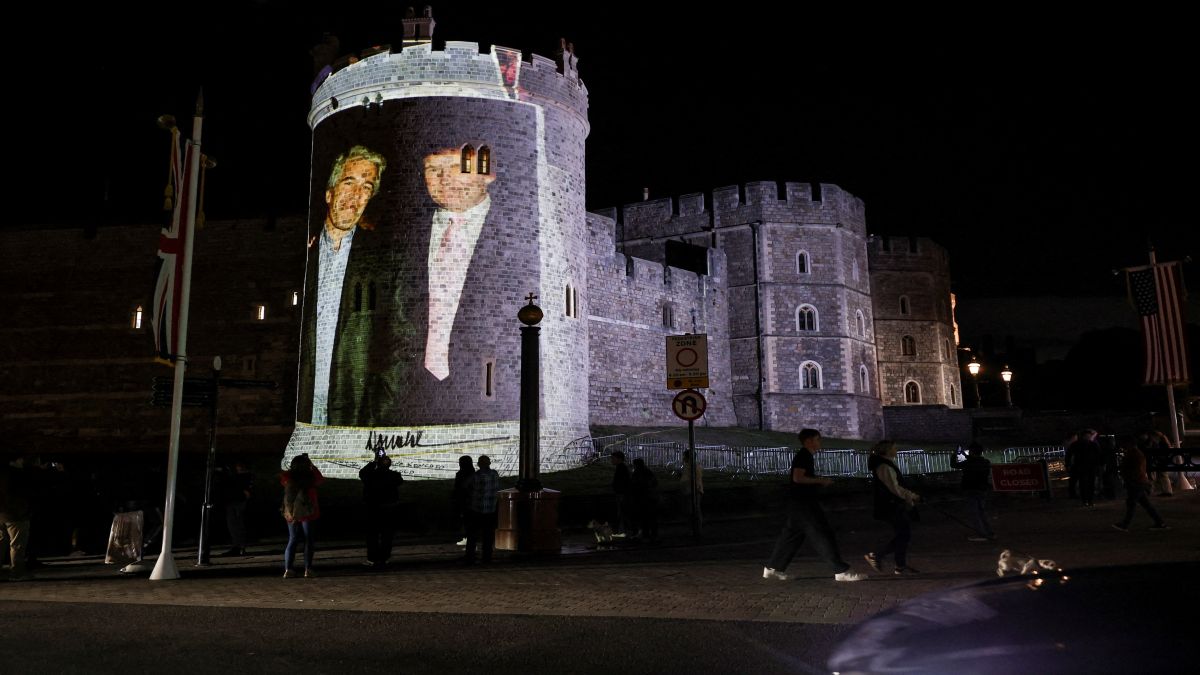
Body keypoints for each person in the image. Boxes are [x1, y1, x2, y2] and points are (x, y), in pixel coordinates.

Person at [297, 144, 393, 426]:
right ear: (329, 193)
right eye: (349, 182)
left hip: (354, 416)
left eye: (367, 186)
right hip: (304, 413)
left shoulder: (383, 262)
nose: (356, 195)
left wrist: (374, 417)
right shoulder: (304, 259)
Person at [421, 146, 496, 381]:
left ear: (488, 171)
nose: (444, 179)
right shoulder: (403, 230)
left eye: (457, 166)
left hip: (478, 381)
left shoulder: (525, 232)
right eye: (434, 169)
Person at [763, 429, 866, 582]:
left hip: (799, 502)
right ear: (809, 441)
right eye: (817, 439)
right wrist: (820, 481)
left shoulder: (805, 456)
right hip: (804, 503)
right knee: (822, 534)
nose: (820, 442)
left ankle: (773, 568)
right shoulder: (804, 455)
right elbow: (798, 478)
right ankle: (841, 570)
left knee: (791, 536)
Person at [864, 440, 922, 575]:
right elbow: (895, 488)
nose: (897, 450)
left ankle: (900, 566)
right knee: (903, 534)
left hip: (891, 504)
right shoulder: (884, 467)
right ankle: (877, 556)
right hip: (891, 505)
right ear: (887, 450)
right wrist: (913, 496)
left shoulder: (885, 464)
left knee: (902, 534)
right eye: (894, 448)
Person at [1113, 435, 1169, 532]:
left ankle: (1125, 524)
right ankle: (1160, 522)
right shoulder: (1136, 454)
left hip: (1136, 482)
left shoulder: (1134, 454)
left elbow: (1135, 470)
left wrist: (1129, 479)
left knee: (1132, 504)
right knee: (1145, 504)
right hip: (1138, 482)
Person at [281, 453, 324, 578]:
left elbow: (283, 482)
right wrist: (312, 466)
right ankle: (308, 568)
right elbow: (320, 479)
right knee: (308, 539)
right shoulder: (311, 477)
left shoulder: (288, 476)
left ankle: (288, 569)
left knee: (293, 539)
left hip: (292, 510)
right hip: (308, 511)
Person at [359, 450, 404, 568]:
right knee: (387, 535)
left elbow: (362, 473)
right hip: (389, 509)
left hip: (373, 509)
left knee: (372, 535)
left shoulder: (371, 475)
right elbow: (399, 481)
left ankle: (372, 559)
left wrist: (374, 462)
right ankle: (385, 558)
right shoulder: (394, 476)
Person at [951, 442, 995, 542]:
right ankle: (989, 532)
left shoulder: (968, 463)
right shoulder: (985, 462)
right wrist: (965, 455)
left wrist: (955, 454)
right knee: (982, 512)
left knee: (975, 513)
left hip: (971, 489)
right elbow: (974, 461)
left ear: (971, 452)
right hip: (982, 489)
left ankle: (981, 534)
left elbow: (953, 464)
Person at [0, 456, 34, 580]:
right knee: (17, 545)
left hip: (2, 514)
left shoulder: (3, 473)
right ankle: (17, 572)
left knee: (1, 543)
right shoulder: (15, 475)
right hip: (15, 515)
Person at [464, 455, 500, 564]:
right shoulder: (495, 474)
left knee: (472, 535)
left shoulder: (475, 476)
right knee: (488, 536)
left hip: (476, 509)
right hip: (491, 509)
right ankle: (487, 557)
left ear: (479, 464)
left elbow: (465, 486)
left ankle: (470, 557)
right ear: (489, 464)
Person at [219, 460, 253, 557]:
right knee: (235, 525)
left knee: (236, 524)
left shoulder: (244, 477)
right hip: (235, 502)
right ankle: (238, 546)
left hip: (237, 503)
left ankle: (239, 546)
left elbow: (246, 492)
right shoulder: (241, 477)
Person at [1067, 429, 1101, 507]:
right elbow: (1098, 455)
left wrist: (1068, 464)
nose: (1088, 437)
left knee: (1087, 484)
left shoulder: (1077, 444)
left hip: (1084, 466)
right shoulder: (1092, 444)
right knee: (1086, 484)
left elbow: (1069, 455)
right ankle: (1088, 500)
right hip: (1085, 467)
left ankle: (1087, 500)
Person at [630, 457, 659, 542]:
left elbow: (636, 485)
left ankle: (646, 535)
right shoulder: (648, 472)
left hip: (643, 498)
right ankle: (653, 535)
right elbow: (654, 483)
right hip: (650, 498)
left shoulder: (637, 473)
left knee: (644, 519)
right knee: (651, 518)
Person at [452, 455, 475, 546]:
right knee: (470, 521)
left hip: (463, 500)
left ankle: (467, 539)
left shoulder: (460, 474)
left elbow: (458, 488)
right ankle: (469, 539)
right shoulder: (473, 473)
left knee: (465, 520)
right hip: (471, 500)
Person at [680, 449, 704, 532]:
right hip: (691, 491)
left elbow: (693, 479)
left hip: (692, 491)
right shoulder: (690, 466)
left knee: (693, 511)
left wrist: (695, 489)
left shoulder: (693, 466)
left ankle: (696, 530)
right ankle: (695, 529)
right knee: (692, 511)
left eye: (684, 456)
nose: (683, 458)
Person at [610, 451, 631, 537]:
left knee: (623, 513)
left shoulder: (621, 468)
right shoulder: (621, 467)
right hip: (622, 493)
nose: (611, 460)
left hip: (622, 494)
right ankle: (623, 531)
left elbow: (622, 482)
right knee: (623, 513)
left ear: (619, 459)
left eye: (613, 458)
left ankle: (623, 532)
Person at [1062, 431, 1080, 498]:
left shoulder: (1068, 444)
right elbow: (1069, 456)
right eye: (1075, 437)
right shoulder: (1070, 445)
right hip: (1073, 464)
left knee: (1073, 480)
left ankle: (1073, 493)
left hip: (1072, 464)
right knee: (1073, 479)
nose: (1076, 438)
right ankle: (1073, 493)